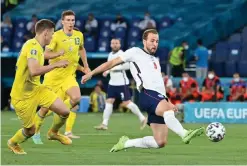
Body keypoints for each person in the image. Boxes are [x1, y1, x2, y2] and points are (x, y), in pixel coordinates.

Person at [81, 29, 203, 152]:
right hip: (147, 93)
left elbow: (159, 85)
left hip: (158, 97)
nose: (155, 44)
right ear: (144, 41)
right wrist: (91, 73)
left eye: (157, 41)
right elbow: (111, 63)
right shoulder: (135, 52)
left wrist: (167, 101)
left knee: (160, 142)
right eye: (152, 41)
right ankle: (184, 134)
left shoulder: (155, 60)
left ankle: (127, 143)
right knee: (168, 111)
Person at [8, 19, 71, 154]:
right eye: (52, 34)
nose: (53, 36)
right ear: (46, 33)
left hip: (37, 89)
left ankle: (53, 133)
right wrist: (55, 64)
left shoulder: (37, 47)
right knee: (30, 131)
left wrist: (58, 56)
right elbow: (34, 71)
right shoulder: (33, 46)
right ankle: (13, 143)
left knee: (65, 111)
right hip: (22, 97)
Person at [32, 10, 91, 144]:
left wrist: (85, 66)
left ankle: (53, 130)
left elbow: (81, 49)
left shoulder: (78, 35)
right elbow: (45, 54)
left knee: (76, 98)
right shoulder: (56, 36)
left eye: (72, 20)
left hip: (69, 76)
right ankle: (36, 132)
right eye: (68, 20)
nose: (71, 23)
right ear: (63, 22)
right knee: (45, 108)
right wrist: (58, 54)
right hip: (53, 77)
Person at [94, 38, 147, 130]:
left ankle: (142, 118)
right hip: (112, 83)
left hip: (121, 83)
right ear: (110, 45)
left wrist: (111, 69)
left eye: (116, 43)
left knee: (127, 103)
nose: (114, 45)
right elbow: (109, 65)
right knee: (109, 102)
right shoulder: (110, 54)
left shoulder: (122, 54)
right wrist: (106, 70)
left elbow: (127, 66)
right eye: (113, 43)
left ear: (120, 45)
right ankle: (104, 124)